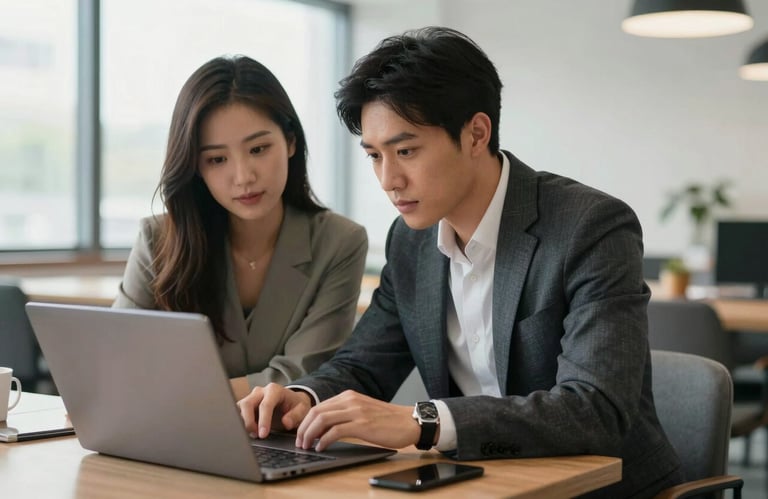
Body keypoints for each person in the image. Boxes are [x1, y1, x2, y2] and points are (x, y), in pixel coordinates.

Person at [237, 27, 683, 498]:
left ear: (475, 134)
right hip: (483, 484)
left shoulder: (589, 227)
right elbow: (363, 366)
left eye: (406, 151)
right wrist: (301, 398)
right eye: (374, 156)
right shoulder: (410, 241)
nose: (388, 180)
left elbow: (595, 409)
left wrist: (423, 421)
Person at [113, 55, 367, 401]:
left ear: (290, 141)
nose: (243, 176)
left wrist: (176, 393)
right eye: (217, 159)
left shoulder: (340, 242)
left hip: (286, 440)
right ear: (195, 167)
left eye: (259, 149)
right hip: (174, 440)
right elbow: (118, 362)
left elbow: (303, 373)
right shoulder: (158, 239)